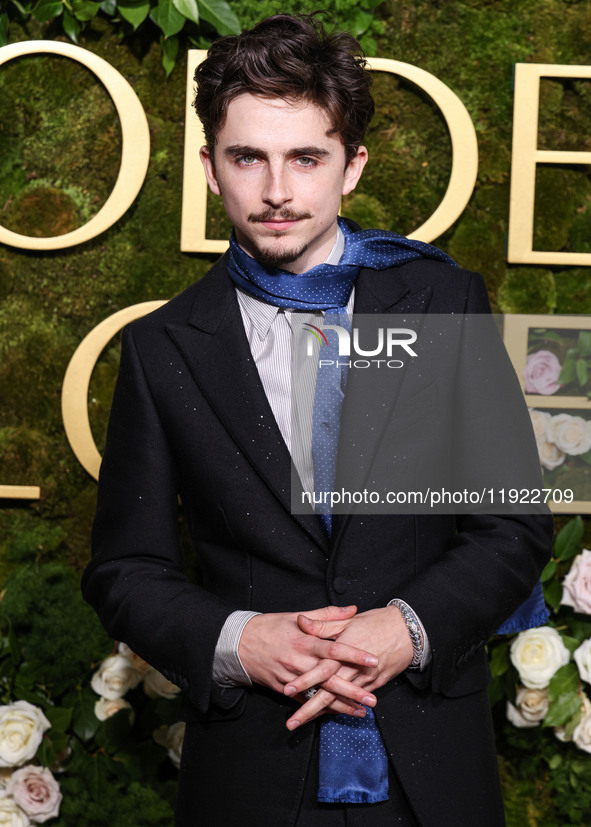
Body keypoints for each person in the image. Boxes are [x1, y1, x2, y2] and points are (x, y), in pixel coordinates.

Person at [81, 14, 553, 826]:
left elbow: (511, 525)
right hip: (252, 772)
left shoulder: (443, 301)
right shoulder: (162, 346)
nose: (275, 190)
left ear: (351, 166)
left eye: (305, 157)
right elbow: (126, 569)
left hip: (429, 763)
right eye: (247, 157)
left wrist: (403, 628)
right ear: (208, 167)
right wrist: (240, 638)